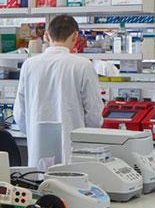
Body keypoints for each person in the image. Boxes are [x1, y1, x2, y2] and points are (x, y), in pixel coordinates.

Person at [16, 14, 104, 168]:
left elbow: (19, 114)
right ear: (76, 36)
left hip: (38, 151)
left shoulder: (29, 65)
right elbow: (94, 115)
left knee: (42, 188)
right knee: (70, 188)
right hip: (74, 151)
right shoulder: (82, 65)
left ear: (46, 36)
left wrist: (34, 132)